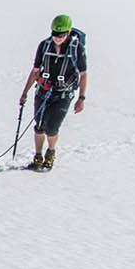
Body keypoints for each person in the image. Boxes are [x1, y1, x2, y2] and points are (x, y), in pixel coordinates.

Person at [18, 13, 88, 171]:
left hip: (63, 94)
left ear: (68, 32)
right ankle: (37, 156)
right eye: (55, 34)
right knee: (39, 126)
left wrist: (81, 98)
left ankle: (50, 152)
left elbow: (83, 74)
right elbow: (35, 71)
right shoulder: (44, 45)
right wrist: (25, 93)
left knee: (52, 128)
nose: (57, 38)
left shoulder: (77, 48)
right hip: (43, 91)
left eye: (61, 35)